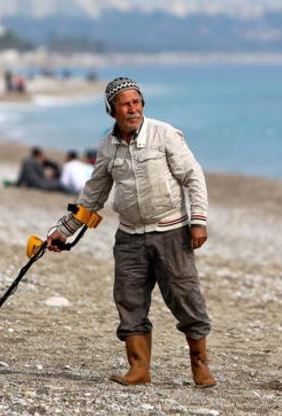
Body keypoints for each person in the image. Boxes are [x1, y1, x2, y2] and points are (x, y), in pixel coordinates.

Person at [47, 77, 216, 388]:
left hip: (172, 232)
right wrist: (63, 231)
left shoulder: (164, 134)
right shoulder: (107, 146)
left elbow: (193, 176)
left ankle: (200, 366)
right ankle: (139, 370)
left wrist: (199, 221)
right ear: (112, 110)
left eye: (136, 102)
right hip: (129, 238)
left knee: (185, 298)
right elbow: (93, 194)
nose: (132, 108)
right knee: (129, 300)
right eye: (125, 104)